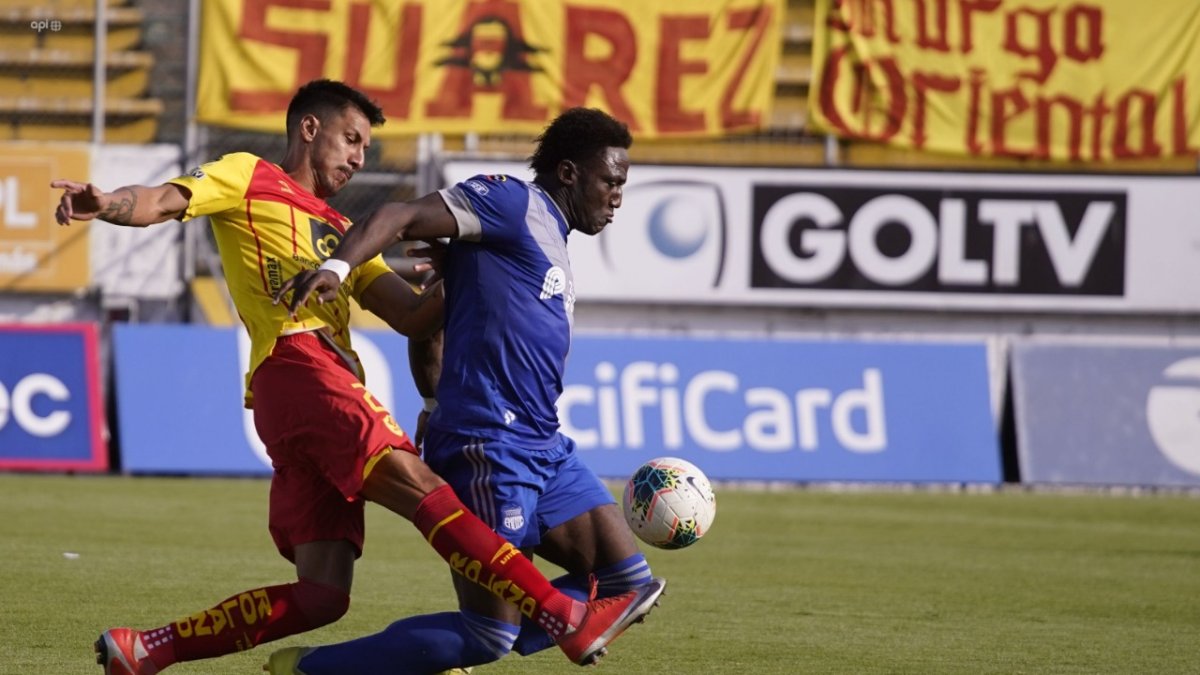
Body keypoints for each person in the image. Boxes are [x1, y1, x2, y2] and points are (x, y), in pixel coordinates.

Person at [52, 80, 665, 675]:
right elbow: (162, 200)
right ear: (309, 128)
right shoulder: (247, 175)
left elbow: (410, 316)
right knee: (423, 486)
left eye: (366, 147)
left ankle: (149, 649)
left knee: (323, 595)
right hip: (301, 366)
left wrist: (463, 274)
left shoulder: (342, 233)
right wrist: (107, 205)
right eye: (351, 139)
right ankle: (561, 612)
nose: (358, 156)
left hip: (298, 401)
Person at [269, 107, 664, 674]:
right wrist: (338, 264)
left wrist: (432, 398)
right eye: (612, 181)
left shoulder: (543, 235)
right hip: (490, 446)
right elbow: (396, 214)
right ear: (572, 173)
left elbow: (436, 322)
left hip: (545, 445)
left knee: (628, 585)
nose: (618, 197)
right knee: (488, 635)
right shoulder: (510, 201)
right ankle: (313, 669)